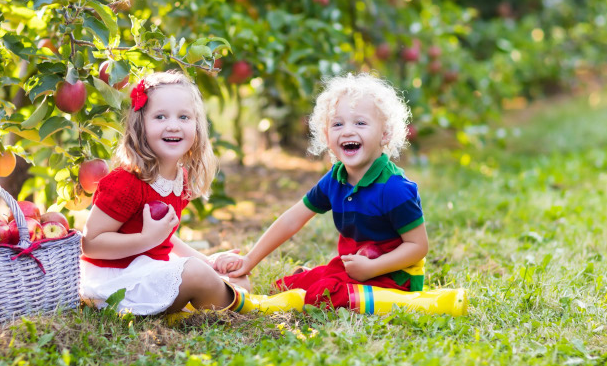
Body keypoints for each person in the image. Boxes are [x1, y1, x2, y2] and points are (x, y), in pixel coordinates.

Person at [221, 73, 467, 316]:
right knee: (291, 284)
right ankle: (307, 287)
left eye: (360, 123)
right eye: (338, 124)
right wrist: (250, 260)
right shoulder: (335, 179)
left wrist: (372, 268)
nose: (347, 131)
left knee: (325, 294)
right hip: (357, 266)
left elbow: (418, 246)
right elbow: (292, 219)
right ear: (327, 136)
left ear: (385, 134)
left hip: (395, 275)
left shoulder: (394, 188)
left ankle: (267, 306)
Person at [81, 71, 304, 317]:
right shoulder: (125, 182)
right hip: (115, 284)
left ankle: (189, 308)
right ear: (140, 124)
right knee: (196, 273)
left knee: (236, 278)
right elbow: (91, 244)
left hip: (149, 271)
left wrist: (206, 260)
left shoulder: (178, 179)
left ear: (197, 126)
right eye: (160, 116)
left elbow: (164, 237)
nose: (173, 125)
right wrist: (146, 240)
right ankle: (257, 307)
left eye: (184, 117)